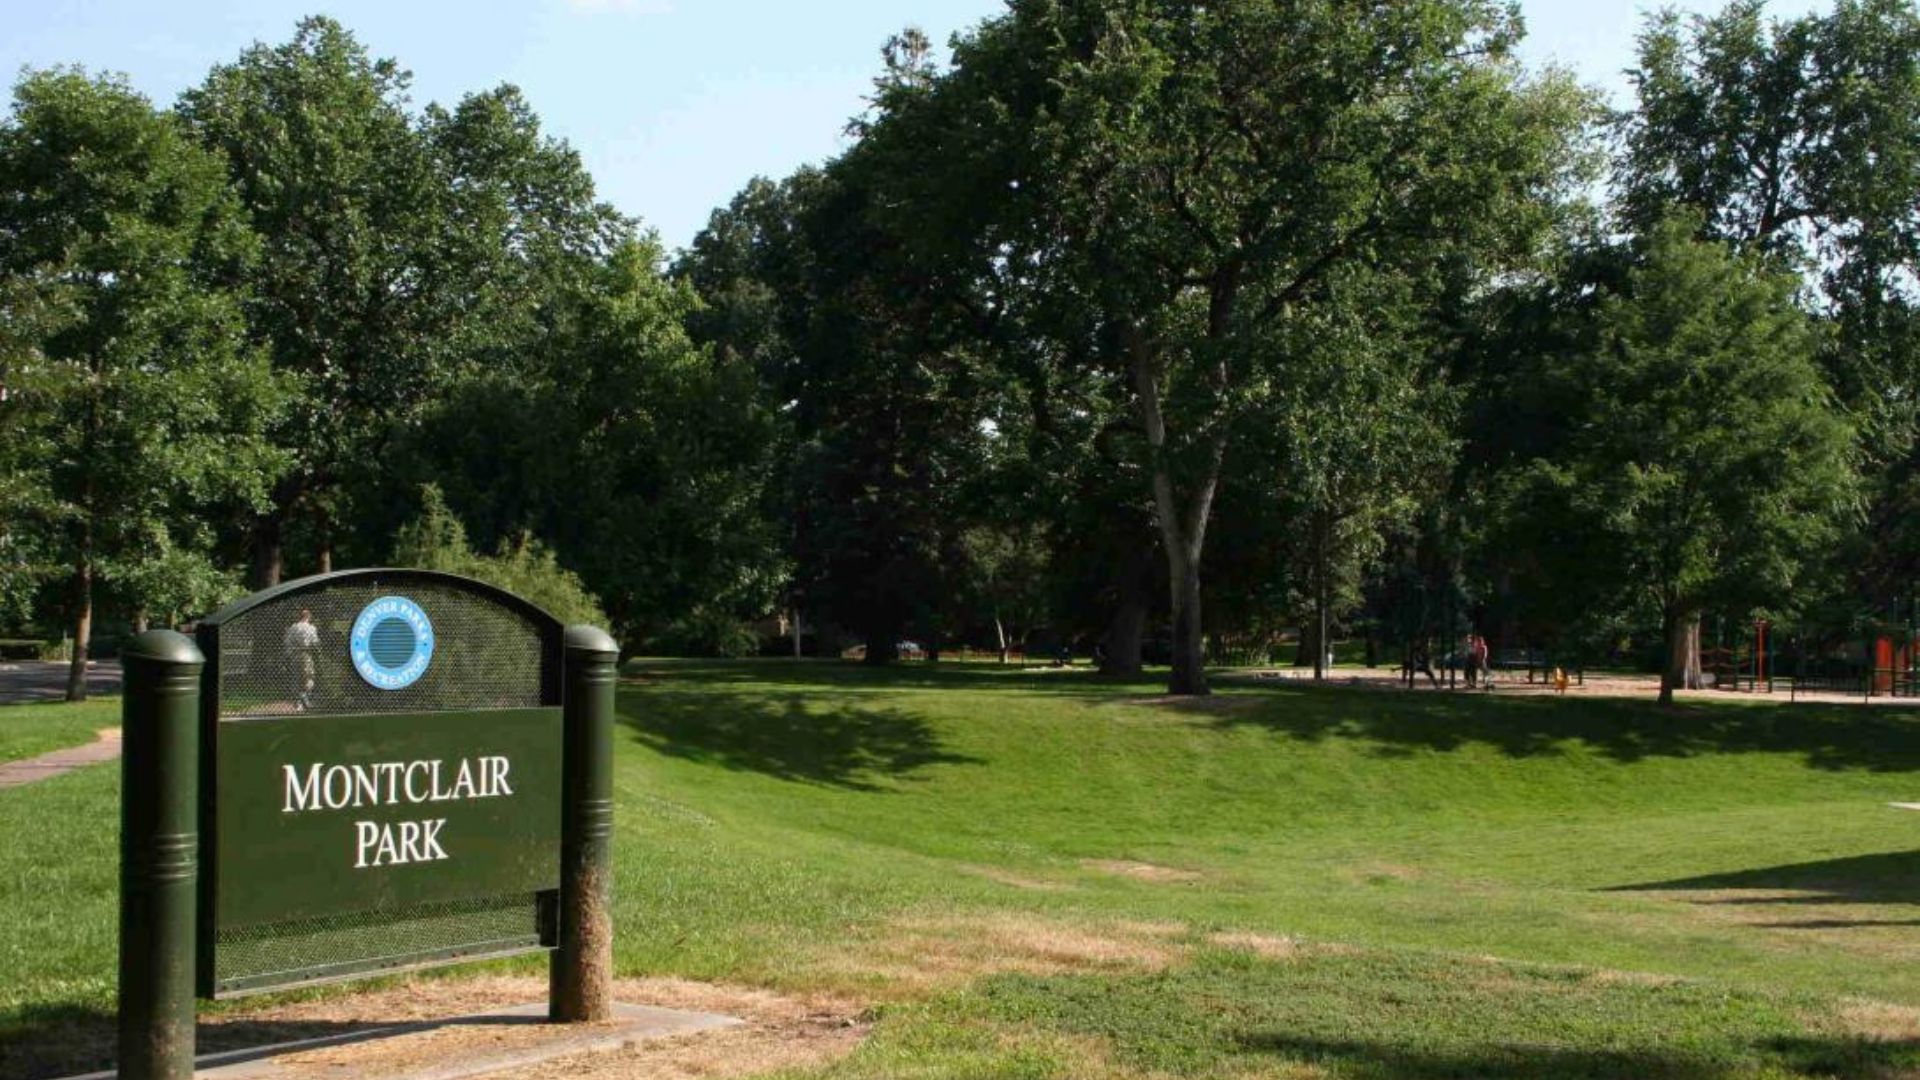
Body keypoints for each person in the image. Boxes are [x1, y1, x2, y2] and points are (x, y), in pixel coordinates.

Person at [283, 608, 319, 711]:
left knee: (296, 678)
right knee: (308, 677)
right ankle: (306, 700)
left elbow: (287, 641)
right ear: (308, 617)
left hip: (295, 655)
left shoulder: (293, 627)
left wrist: (289, 653)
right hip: (306, 654)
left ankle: (299, 703)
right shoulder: (311, 628)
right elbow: (315, 642)